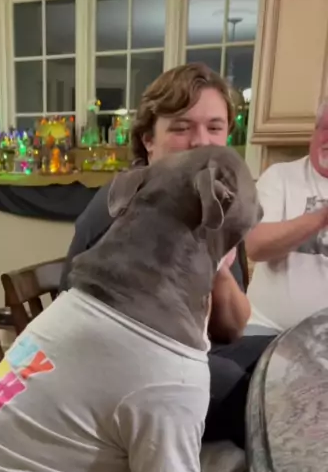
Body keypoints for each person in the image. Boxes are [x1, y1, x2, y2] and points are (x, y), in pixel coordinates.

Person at [60, 64, 273, 450]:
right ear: (148, 141)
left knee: (280, 361)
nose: (201, 142)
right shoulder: (128, 207)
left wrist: (217, 267)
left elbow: (231, 328)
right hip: (120, 369)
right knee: (258, 401)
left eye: (215, 128)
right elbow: (126, 345)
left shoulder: (212, 204)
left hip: (186, 350)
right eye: (180, 128)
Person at [246, 101, 328, 332]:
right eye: (326, 128)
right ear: (314, 133)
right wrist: (322, 217)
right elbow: (256, 246)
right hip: (266, 328)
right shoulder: (279, 177)